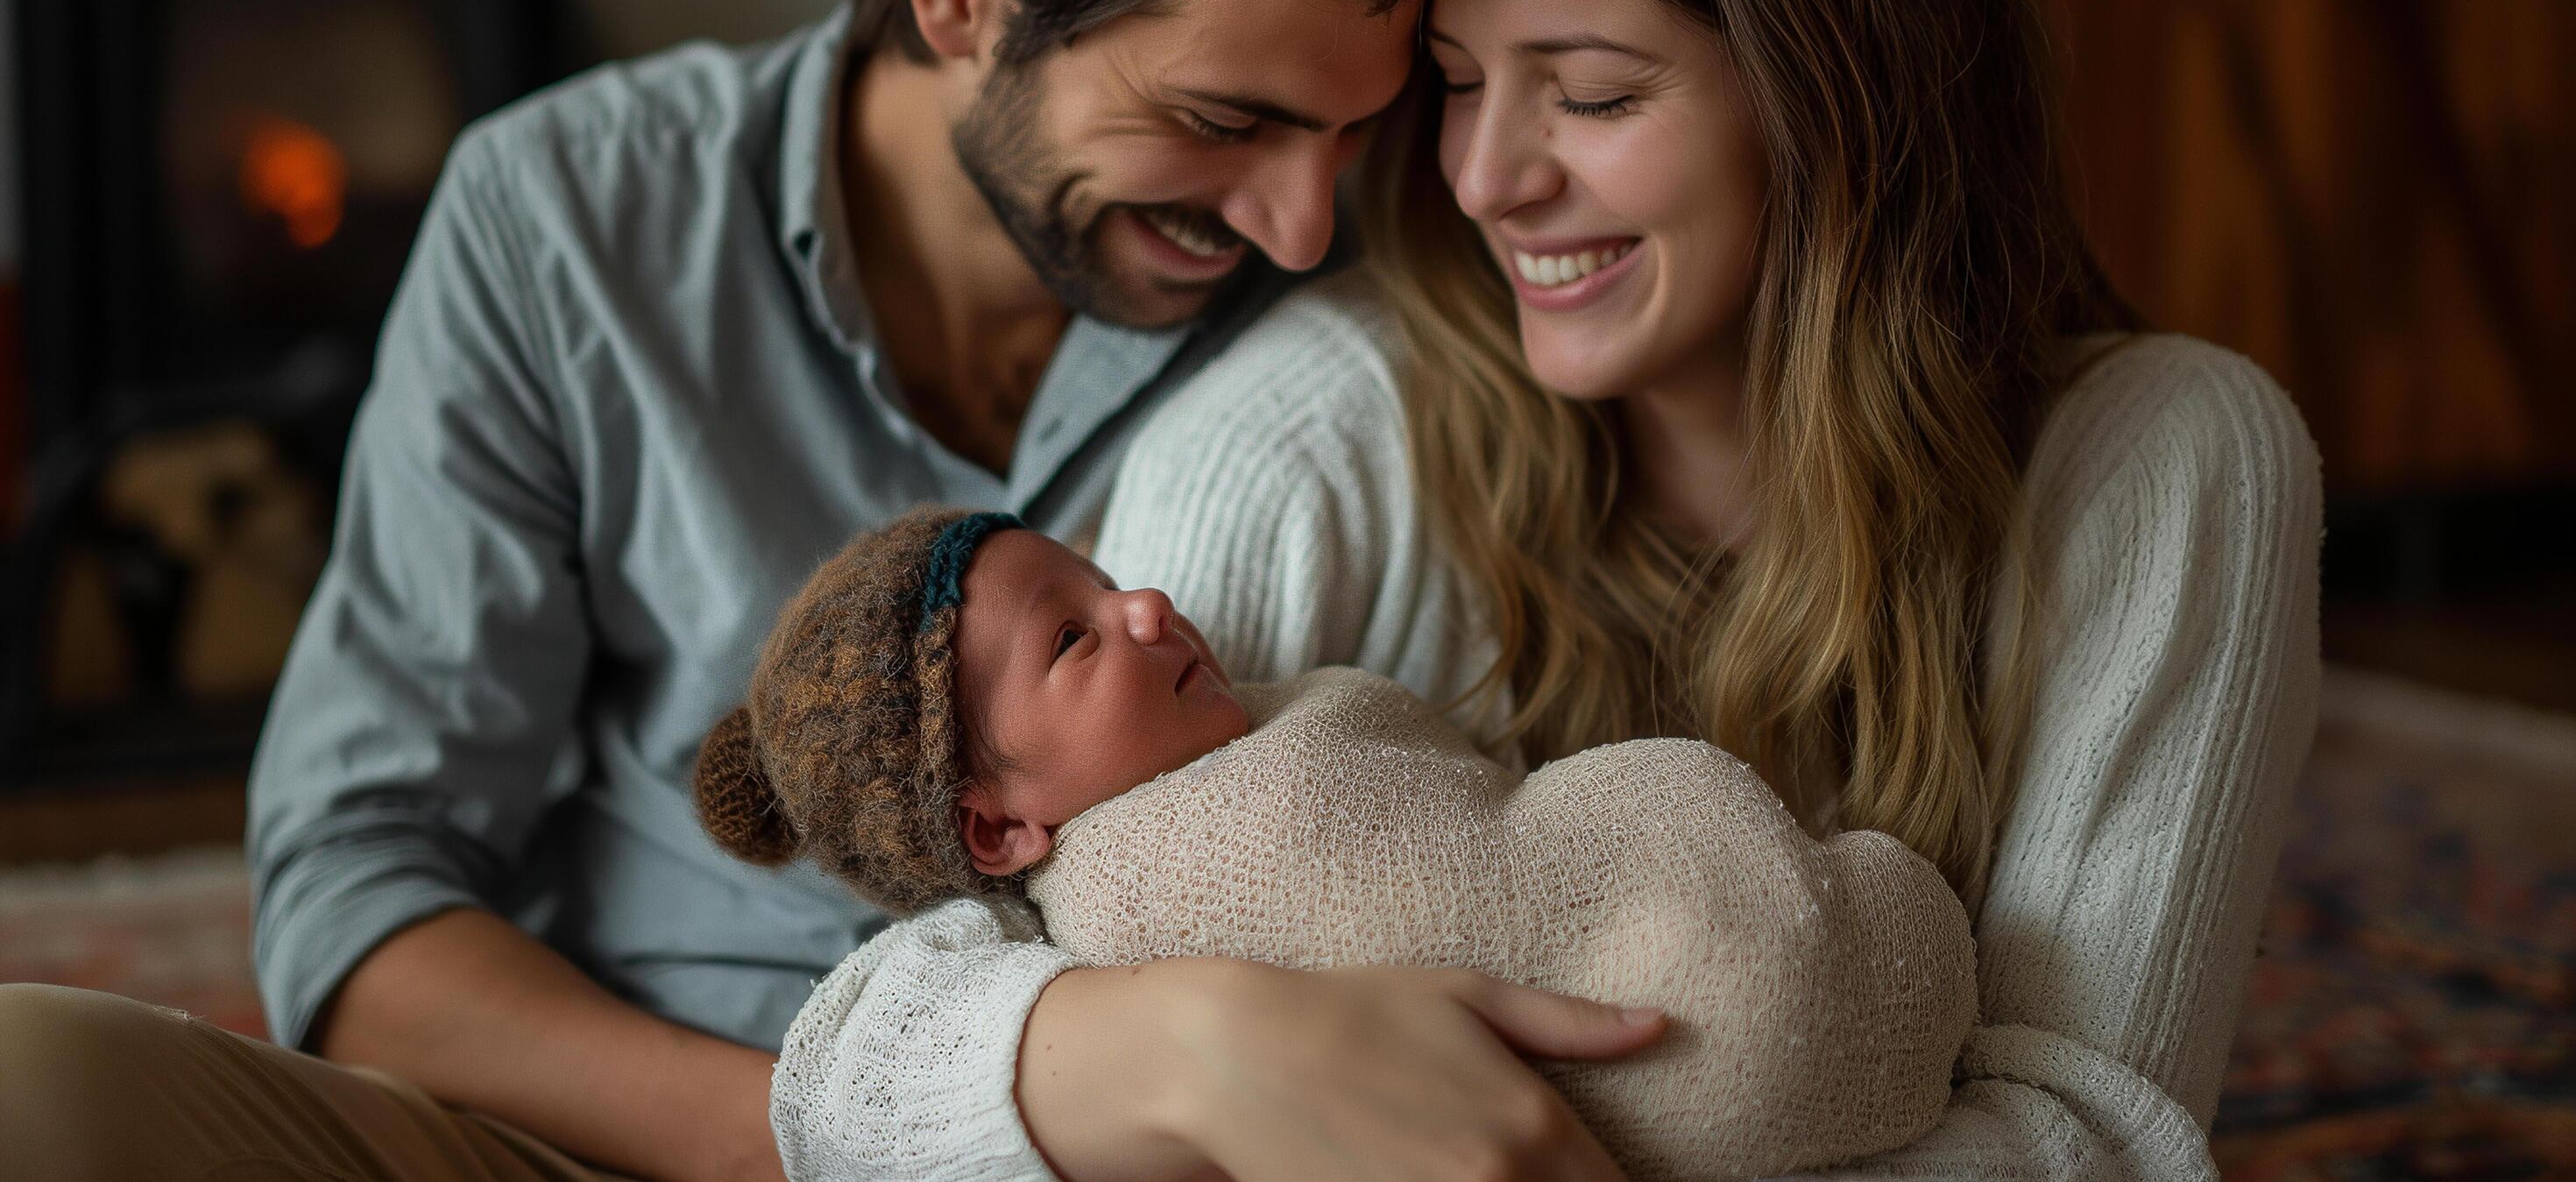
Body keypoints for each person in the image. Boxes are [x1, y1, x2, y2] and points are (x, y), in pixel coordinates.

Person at [0, 0, 1654, 1182]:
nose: (1304, 229)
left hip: (1176, 1154)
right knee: (37, 1079)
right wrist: (833, 1137)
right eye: (1221, 124)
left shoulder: (1368, 297)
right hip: (643, 1135)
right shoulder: (566, 220)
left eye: (1356, 129)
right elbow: (359, 904)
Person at [801, 0, 2325, 1182]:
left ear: (1841, 94)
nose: (1483, 179)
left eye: (1592, 95)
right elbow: (858, 1081)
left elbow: (2100, 1140)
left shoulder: (2166, 461)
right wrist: (1205, 1043)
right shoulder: (1324, 430)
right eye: (1456, 89)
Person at [695, 506, 1978, 1182]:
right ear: (999, 827)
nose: (1143, 604)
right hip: (1764, 991)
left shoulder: (1241, 728)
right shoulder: (1151, 892)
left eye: (1103, 578)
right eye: (1074, 638)